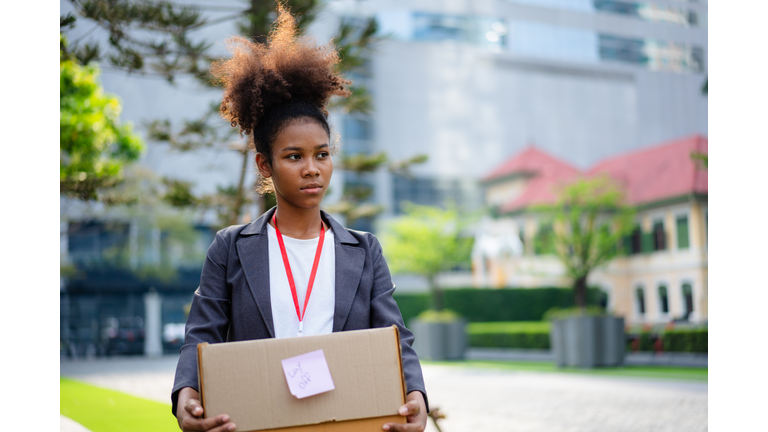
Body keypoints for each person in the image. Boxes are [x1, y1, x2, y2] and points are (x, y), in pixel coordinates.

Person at [171, 5, 428, 432]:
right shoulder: (230, 248)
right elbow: (202, 335)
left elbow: (395, 338)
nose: (312, 168)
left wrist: (416, 395)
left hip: (345, 422)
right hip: (259, 423)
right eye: (294, 156)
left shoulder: (364, 251)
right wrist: (187, 397)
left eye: (322, 154)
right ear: (265, 165)